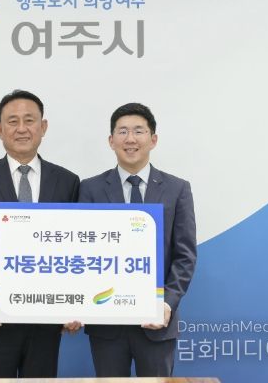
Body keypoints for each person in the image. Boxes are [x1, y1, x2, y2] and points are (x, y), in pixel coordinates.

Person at [0, 89, 80, 378]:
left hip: (47, 317)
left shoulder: (67, 181)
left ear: (43, 127)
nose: (21, 128)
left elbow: (76, 248)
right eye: (12, 121)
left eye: (29, 120)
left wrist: (75, 302)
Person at [79, 102, 196, 377]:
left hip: (157, 323)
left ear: (153, 139)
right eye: (122, 132)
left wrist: (166, 303)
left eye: (138, 131)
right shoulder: (90, 189)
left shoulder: (177, 189)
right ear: (111, 141)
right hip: (106, 323)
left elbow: (185, 255)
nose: (130, 139)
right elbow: (80, 253)